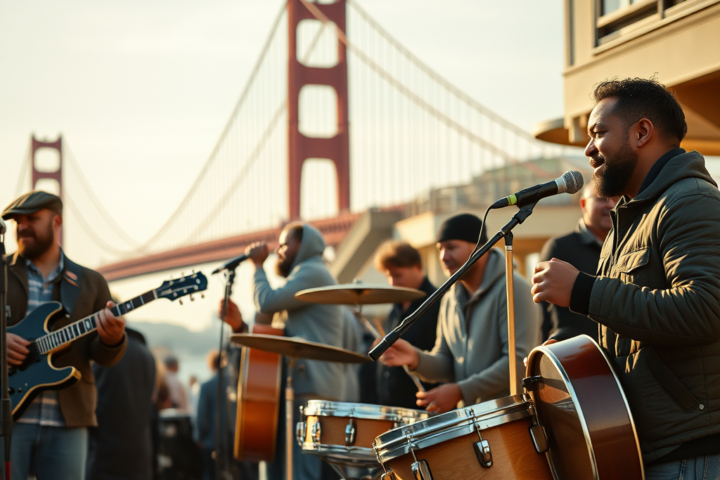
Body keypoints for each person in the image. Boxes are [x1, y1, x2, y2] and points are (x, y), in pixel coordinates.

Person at [531, 77, 720, 477]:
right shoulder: (629, 221)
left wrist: (582, 290)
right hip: (648, 450)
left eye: (598, 133)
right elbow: (636, 333)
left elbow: (705, 309)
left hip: (692, 455)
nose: (587, 149)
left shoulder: (689, 202)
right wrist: (572, 364)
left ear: (642, 132)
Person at [2, 191, 127, 480]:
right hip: (6, 421)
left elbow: (103, 356)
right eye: (17, 222)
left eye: (32, 219)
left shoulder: (91, 282)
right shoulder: (1, 273)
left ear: (56, 222)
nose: (22, 227)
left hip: (68, 421)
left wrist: (112, 340)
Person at [220, 222, 355, 480]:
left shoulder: (312, 271)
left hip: (311, 386)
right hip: (303, 384)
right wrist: (241, 326)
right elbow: (274, 331)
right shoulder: (301, 278)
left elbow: (267, 300)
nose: (278, 250)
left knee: (301, 471)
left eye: (285, 244)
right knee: (288, 469)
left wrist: (258, 266)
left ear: (303, 246)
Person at [380, 213, 541, 413]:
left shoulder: (514, 288)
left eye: (451, 247)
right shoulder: (449, 298)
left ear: (479, 247)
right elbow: (446, 362)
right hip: (472, 422)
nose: (443, 257)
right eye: (440, 249)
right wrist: (415, 358)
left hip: (510, 420)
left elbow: (519, 362)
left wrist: (461, 391)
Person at [537, 180, 616, 341]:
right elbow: (544, 312)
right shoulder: (559, 248)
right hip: (574, 355)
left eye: (615, 199)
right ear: (583, 204)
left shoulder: (629, 248)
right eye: (601, 199)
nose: (610, 205)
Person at [373, 240, 440, 409]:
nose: (392, 282)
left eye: (397, 275)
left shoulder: (438, 304)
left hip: (424, 410)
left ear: (416, 267)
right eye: (388, 276)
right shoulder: (395, 308)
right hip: (393, 409)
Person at [87, 327, 156, 480]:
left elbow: (95, 403)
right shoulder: (146, 353)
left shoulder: (105, 354)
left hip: (105, 452)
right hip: (140, 452)